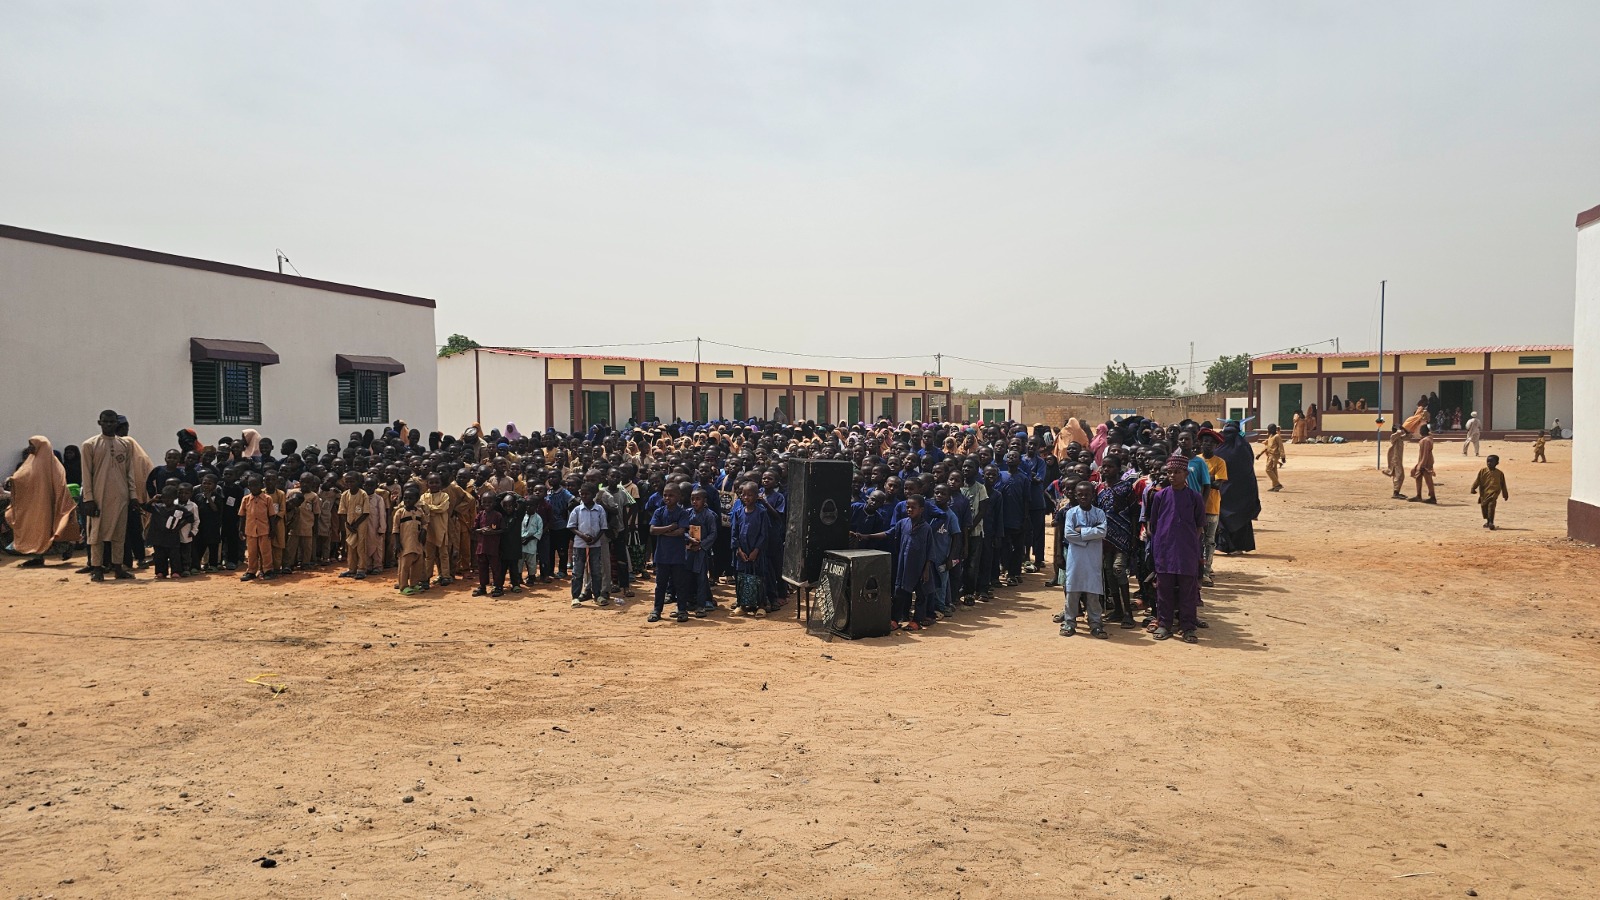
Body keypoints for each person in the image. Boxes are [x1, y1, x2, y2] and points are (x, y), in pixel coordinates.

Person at [1146, 454, 1205, 643]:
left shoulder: (1195, 497)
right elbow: (1153, 524)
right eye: (1169, 472)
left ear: (1186, 474)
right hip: (1164, 551)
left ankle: (1188, 627)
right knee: (1164, 590)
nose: (1172, 475)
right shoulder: (1160, 496)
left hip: (1187, 551)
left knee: (1188, 590)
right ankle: (1164, 624)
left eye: (1177, 472)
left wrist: (1190, 543)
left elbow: (1199, 526)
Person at [81, 410, 145, 581]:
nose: (109, 424)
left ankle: (118, 567)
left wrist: (133, 495)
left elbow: (129, 472)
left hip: (121, 496)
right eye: (106, 422)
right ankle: (97, 568)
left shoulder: (125, 445)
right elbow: (86, 474)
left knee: (119, 533)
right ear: (99, 423)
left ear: (117, 423)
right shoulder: (89, 445)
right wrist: (88, 499)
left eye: (112, 422)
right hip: (98, 496)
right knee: (96, 534)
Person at [5, 436, 79, 567]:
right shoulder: (30, 463)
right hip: (35, 503)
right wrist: (13, 480)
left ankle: (65, 548)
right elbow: (22, 478)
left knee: (50, 528)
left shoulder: (53, 464)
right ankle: (37, 556)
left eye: (32, 445)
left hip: (50, 503)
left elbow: (59, 484)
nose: (29, 448)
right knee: (35, 528)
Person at [1058, 482, 1108, 639]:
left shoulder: (1099, 513)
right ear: (1076, 496)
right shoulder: (1071, 513)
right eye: (1080, 495)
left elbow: (1103, 531)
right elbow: (1069, 534)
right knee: (1072, 591)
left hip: (1093, 557)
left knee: (1093, 591)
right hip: (1076, 558)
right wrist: (1090, 536)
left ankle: (1095, 623)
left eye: (1087, 494)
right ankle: (1069, 622)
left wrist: (1082, 531)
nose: (1084, 497)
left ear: (1093, 495)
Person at [648, 484, 694, 622]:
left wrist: (663, 531)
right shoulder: (659, 511)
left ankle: (681, 609)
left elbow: (680, 532)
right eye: (665, 495)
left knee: (680, 584)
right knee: (660, 585)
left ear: (679, 497)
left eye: (671, 495)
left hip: (677, 556)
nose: (667, 498)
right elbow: (652, 530)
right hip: (662, 555)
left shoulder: (682, 513)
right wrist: (670, 527)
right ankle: (657, 610)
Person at [1212, 422, 1259, 555]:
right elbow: (1250, 466)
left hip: (1223, 490)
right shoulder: (1244, 448)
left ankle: (1225, 545)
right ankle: (1239, 546)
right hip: (1242, 490)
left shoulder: (1218, 449)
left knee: (1223, 517)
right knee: (1241, 517)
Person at [729, 481, 768, 615]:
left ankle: (761, 605)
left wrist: (756, 550)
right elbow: (734, 533)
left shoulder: (761, 512)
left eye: (750, 495)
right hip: (742, 552)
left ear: (757, 496)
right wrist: (739, 550)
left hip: (757, 552)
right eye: (743, 494)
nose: (746, 497)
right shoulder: (738, 512)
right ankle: (742, 605)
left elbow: (764, 534)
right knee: (741, 577)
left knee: (759, 577)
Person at [568, 483, 608, 606]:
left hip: (595, 545)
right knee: (577, 571)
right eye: (582, 494)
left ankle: (597, 595)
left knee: (596, 571)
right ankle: (575, 596)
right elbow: (572, 526)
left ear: (594, 495)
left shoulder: (599, 509)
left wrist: (595, 539)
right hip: (580, 545)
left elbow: (603, 527)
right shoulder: (577, 510)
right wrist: (583, 536)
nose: (584, 496)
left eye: (587, 494)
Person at [1196, 429, 1228, 583]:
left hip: (1211, 506)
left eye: (1211, 442)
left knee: (1209, 540)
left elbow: (1217, 484)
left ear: (1216, 445)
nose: (1207, 444)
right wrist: (1210, 477)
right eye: (1205, 441)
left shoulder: (1220, 462)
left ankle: (1206, 571)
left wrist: (1201, 478)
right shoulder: (1196, 460)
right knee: (1196, 539)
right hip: (1194, 506)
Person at [142, 483, 190, 579]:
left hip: (172, 537)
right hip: (158, 537)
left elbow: (189, 518)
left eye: (169, 499)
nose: (166, 500)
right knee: (159, 556)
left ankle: (175, 571)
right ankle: (160, 572)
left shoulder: (179, 508)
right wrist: (153, 500)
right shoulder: (157, 507)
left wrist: (178, 527)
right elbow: (145, 507)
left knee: (174, 556)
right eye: (164, 498)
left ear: (174, 498)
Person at [238, 474, 275, 581]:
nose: (253, 487)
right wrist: (241, 529)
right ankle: (251, 571)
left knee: (265, 551)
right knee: (252, 552)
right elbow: (242, 515)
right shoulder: (246, 499)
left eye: (256, 485)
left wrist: (273, 529)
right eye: (251, 485)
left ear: (261, 485)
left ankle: (268, 570)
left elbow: (271, 515)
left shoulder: (267, 499)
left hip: (264, 530)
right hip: (250, 530)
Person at [393, 484, 429, 594]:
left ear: (416, 499)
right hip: (405, 544)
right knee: (404, 566)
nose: (407, 501)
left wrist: (423, 531)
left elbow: (425, 523)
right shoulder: (400, 512)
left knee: (417, 565)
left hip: (417, 543)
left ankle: (414, 584)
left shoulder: (419, 512)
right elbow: (395, 529)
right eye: (405, 498)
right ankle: (403, 586)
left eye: (410, 498)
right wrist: (397, 543)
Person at [471, 490, 504, 597]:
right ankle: (482, 586)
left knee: (496, 568)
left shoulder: (498, 515)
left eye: (490, 502)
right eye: (484, 502)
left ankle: (498, 586)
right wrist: (481, 530)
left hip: (494, 548)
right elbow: (474, 529)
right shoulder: (480, 515)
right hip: (482, 547)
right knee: (482, 568)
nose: (487, 504)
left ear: (495, 503)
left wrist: (492, 532)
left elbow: (503, 530)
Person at [338, 473, 370, 579]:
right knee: (350, 546)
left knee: (361, 546)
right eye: (347, 482)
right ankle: (351, 568)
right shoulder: (344, 494)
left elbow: (366, 512)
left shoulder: (363, 494)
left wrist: (356, 524)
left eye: (352, 481)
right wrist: (348, 524)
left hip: (360, 524)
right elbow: (342, 511)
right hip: (349, 525)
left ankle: (361, 569)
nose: (349, 484)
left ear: (358, 482)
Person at [1470, 455, 1509, 530]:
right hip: (1484, 493)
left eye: (1491, 462)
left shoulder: (1499, 473)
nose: (1489, 463)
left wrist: (1505, 494)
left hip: (1494, 494)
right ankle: (1488, 521)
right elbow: (1478, 480)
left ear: (1497, 463)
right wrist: (1473, 488)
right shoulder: (1483, 471)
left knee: (1491, 506)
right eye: (1487, 461)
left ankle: (1491, 522)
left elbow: (1503, 484)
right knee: (1484, 507)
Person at [1409, 424, 1437, 504]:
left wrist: (1422, 465)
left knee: (1428, 479)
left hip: (1425, 462)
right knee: (1418, 477)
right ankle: (1418, 495)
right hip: (1423, 461)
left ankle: (1432, 497)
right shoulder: (1428, 439)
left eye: (1420, 430)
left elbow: (1425, 454)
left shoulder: (1425, 441)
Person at [1256, 424, 1286, 491]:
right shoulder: (1270, 436)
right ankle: (1275, 486)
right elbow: (1267, 447)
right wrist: (1260, 454)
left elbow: (1281, 447)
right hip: (1269, 455)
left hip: (1274, 455)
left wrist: (1283, 457)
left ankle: (1277, 484)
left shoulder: (1277, 436)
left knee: (1268, 469)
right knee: (1273, 470)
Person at [1384, 424, 1408, 499]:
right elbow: (1398, 432)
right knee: (1399, 475)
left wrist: (1406, 430)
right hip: (1395, 459)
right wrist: (1400, 428)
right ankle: (1395, 493)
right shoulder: (1393, 436)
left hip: (1398, 459)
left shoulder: (1399, 438)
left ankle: (1397, 491)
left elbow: (1408, 435)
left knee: (1400, 475)